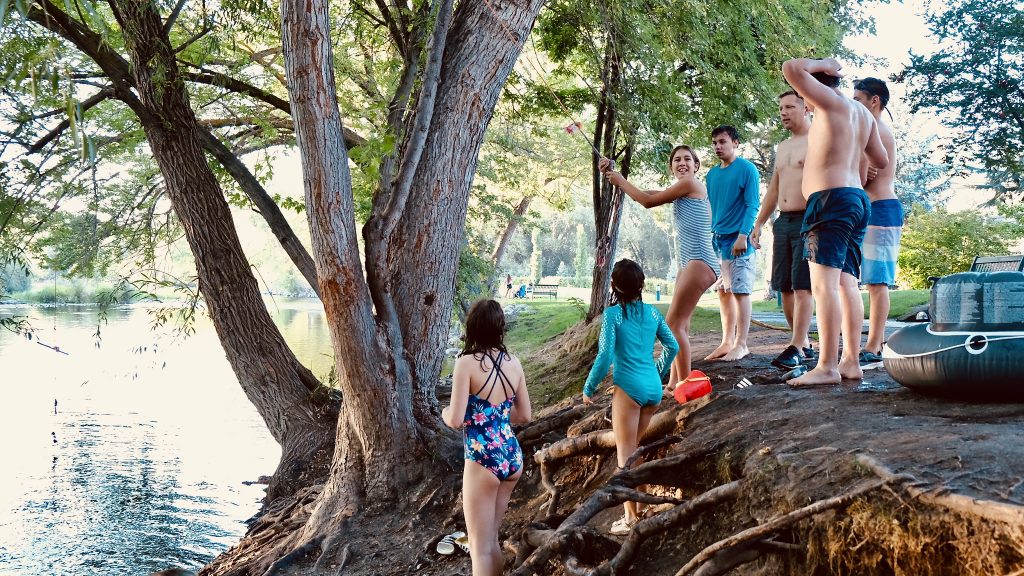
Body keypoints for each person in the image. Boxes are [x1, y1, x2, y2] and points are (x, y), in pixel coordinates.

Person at [781, 57, 889, 385]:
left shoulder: (832, 103)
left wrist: (823, 63)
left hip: (830, 203)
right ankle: (850, 362)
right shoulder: (861, 115)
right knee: (846, 283)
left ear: (819, 85)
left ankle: (826, 366)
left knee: (823, 286)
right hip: (856, 201)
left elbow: (790, 67)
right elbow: (880, 159)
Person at [599, 147, 718, 388]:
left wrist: (620, 180)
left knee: (673, 325)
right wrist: (615, 175)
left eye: (688, 159)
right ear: (671, 167)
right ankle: (674, 381)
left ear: (697, 166)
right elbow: (644, 193)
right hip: (690, 263)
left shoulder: (691, 184)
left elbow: (647, 201)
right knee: (679, 325)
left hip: (700, 261)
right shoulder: (681, 191)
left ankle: (686, 384)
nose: (682, 163)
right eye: (677, 160)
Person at [582, 259, 678, 535]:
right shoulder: (653, 313)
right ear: (642, 285)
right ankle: (643, 508)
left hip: (628, 389)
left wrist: (589, 388)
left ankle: (629, 519)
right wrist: (657, 373)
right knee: (634, 449)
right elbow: (672, 346)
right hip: (653, 390)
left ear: (614, 285)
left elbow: (605, 354)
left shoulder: (613, 315)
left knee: (624, 457)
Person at [442, 299, 532, 576]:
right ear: (500, 328)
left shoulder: (466, 363)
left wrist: (444, 412)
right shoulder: (514, 363)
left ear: (472, 328)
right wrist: (495, 415)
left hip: (482, 458)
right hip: (510, 455)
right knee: (491, 539)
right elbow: (524, 415)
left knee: (479, 546)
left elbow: (456, 420)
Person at [751, 91, 815, 370]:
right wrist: (759, 223)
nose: (784, 112)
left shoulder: (817, 140)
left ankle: (798, 345)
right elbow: (774, 189)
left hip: (809, 220)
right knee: (785, 288)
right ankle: (801, 343)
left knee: (803, 286)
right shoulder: (783, 147)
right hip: (783, 221)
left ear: (807, 108)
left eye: (790, 106)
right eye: (781, 108)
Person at [853, 77, 901, 364]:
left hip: (882, 209)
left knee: (877, 282)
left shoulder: (878, 130)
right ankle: (874, 341)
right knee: (868, 281)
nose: (853, 104)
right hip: (869, 210)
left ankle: (874, 345)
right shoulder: (867, 130)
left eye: (858, 99)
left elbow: (863, 175)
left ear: (875, 101)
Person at [704, 126, 761, 362]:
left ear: (735, 143)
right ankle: (726, 342)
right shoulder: (711, 175)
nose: (718, 147)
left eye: (723, 142)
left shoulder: (747, 169)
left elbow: (752, 205)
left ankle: (741, 344)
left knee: (740, 291)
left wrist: (743, 235)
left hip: (739, 240)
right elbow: (711, 208)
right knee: (723, 292)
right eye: (715, 143)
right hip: (717, 240)